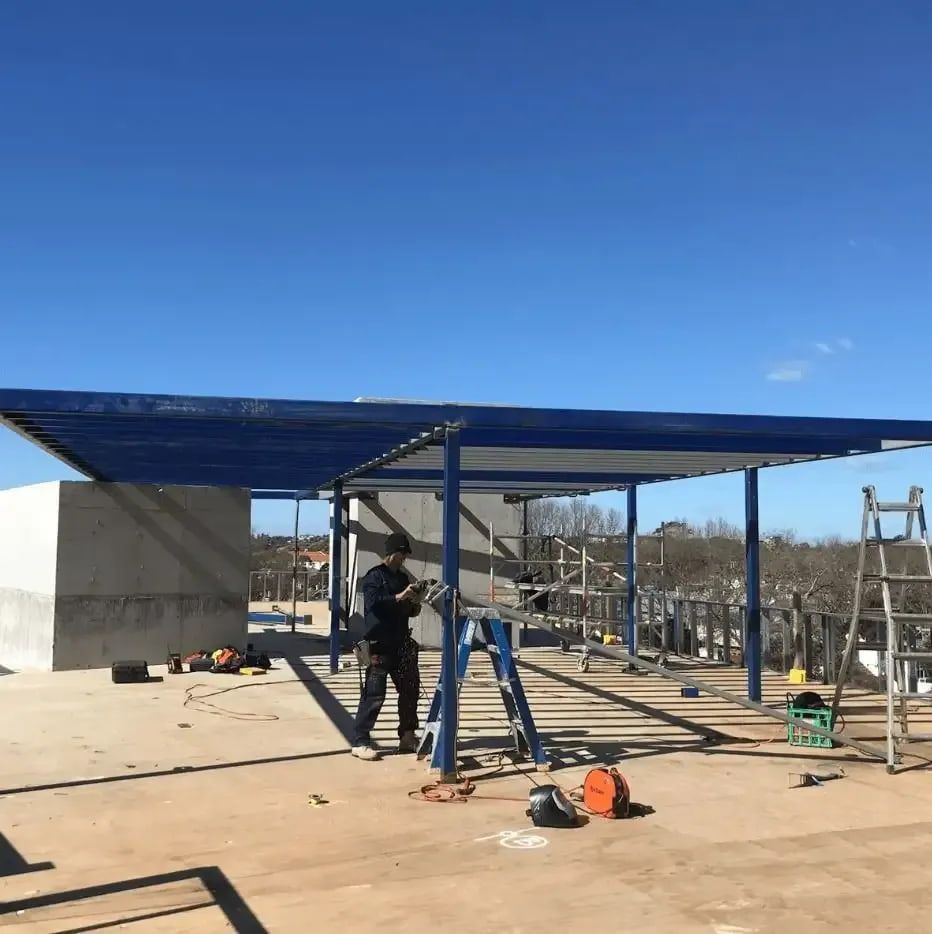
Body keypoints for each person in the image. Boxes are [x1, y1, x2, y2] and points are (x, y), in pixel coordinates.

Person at [351, 532, 423, 761]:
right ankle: (360, 742)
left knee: (410, 690)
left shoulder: (402, 578)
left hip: (400, 643)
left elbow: (407, 610)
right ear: (392, 553)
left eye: (405, 555)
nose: (403, 559)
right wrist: (399, 596)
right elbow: (374, 603)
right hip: (379, 645)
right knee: (374, 695)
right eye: (401, 554)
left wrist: (415, 603)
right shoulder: (374, 577)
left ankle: (407, 735)